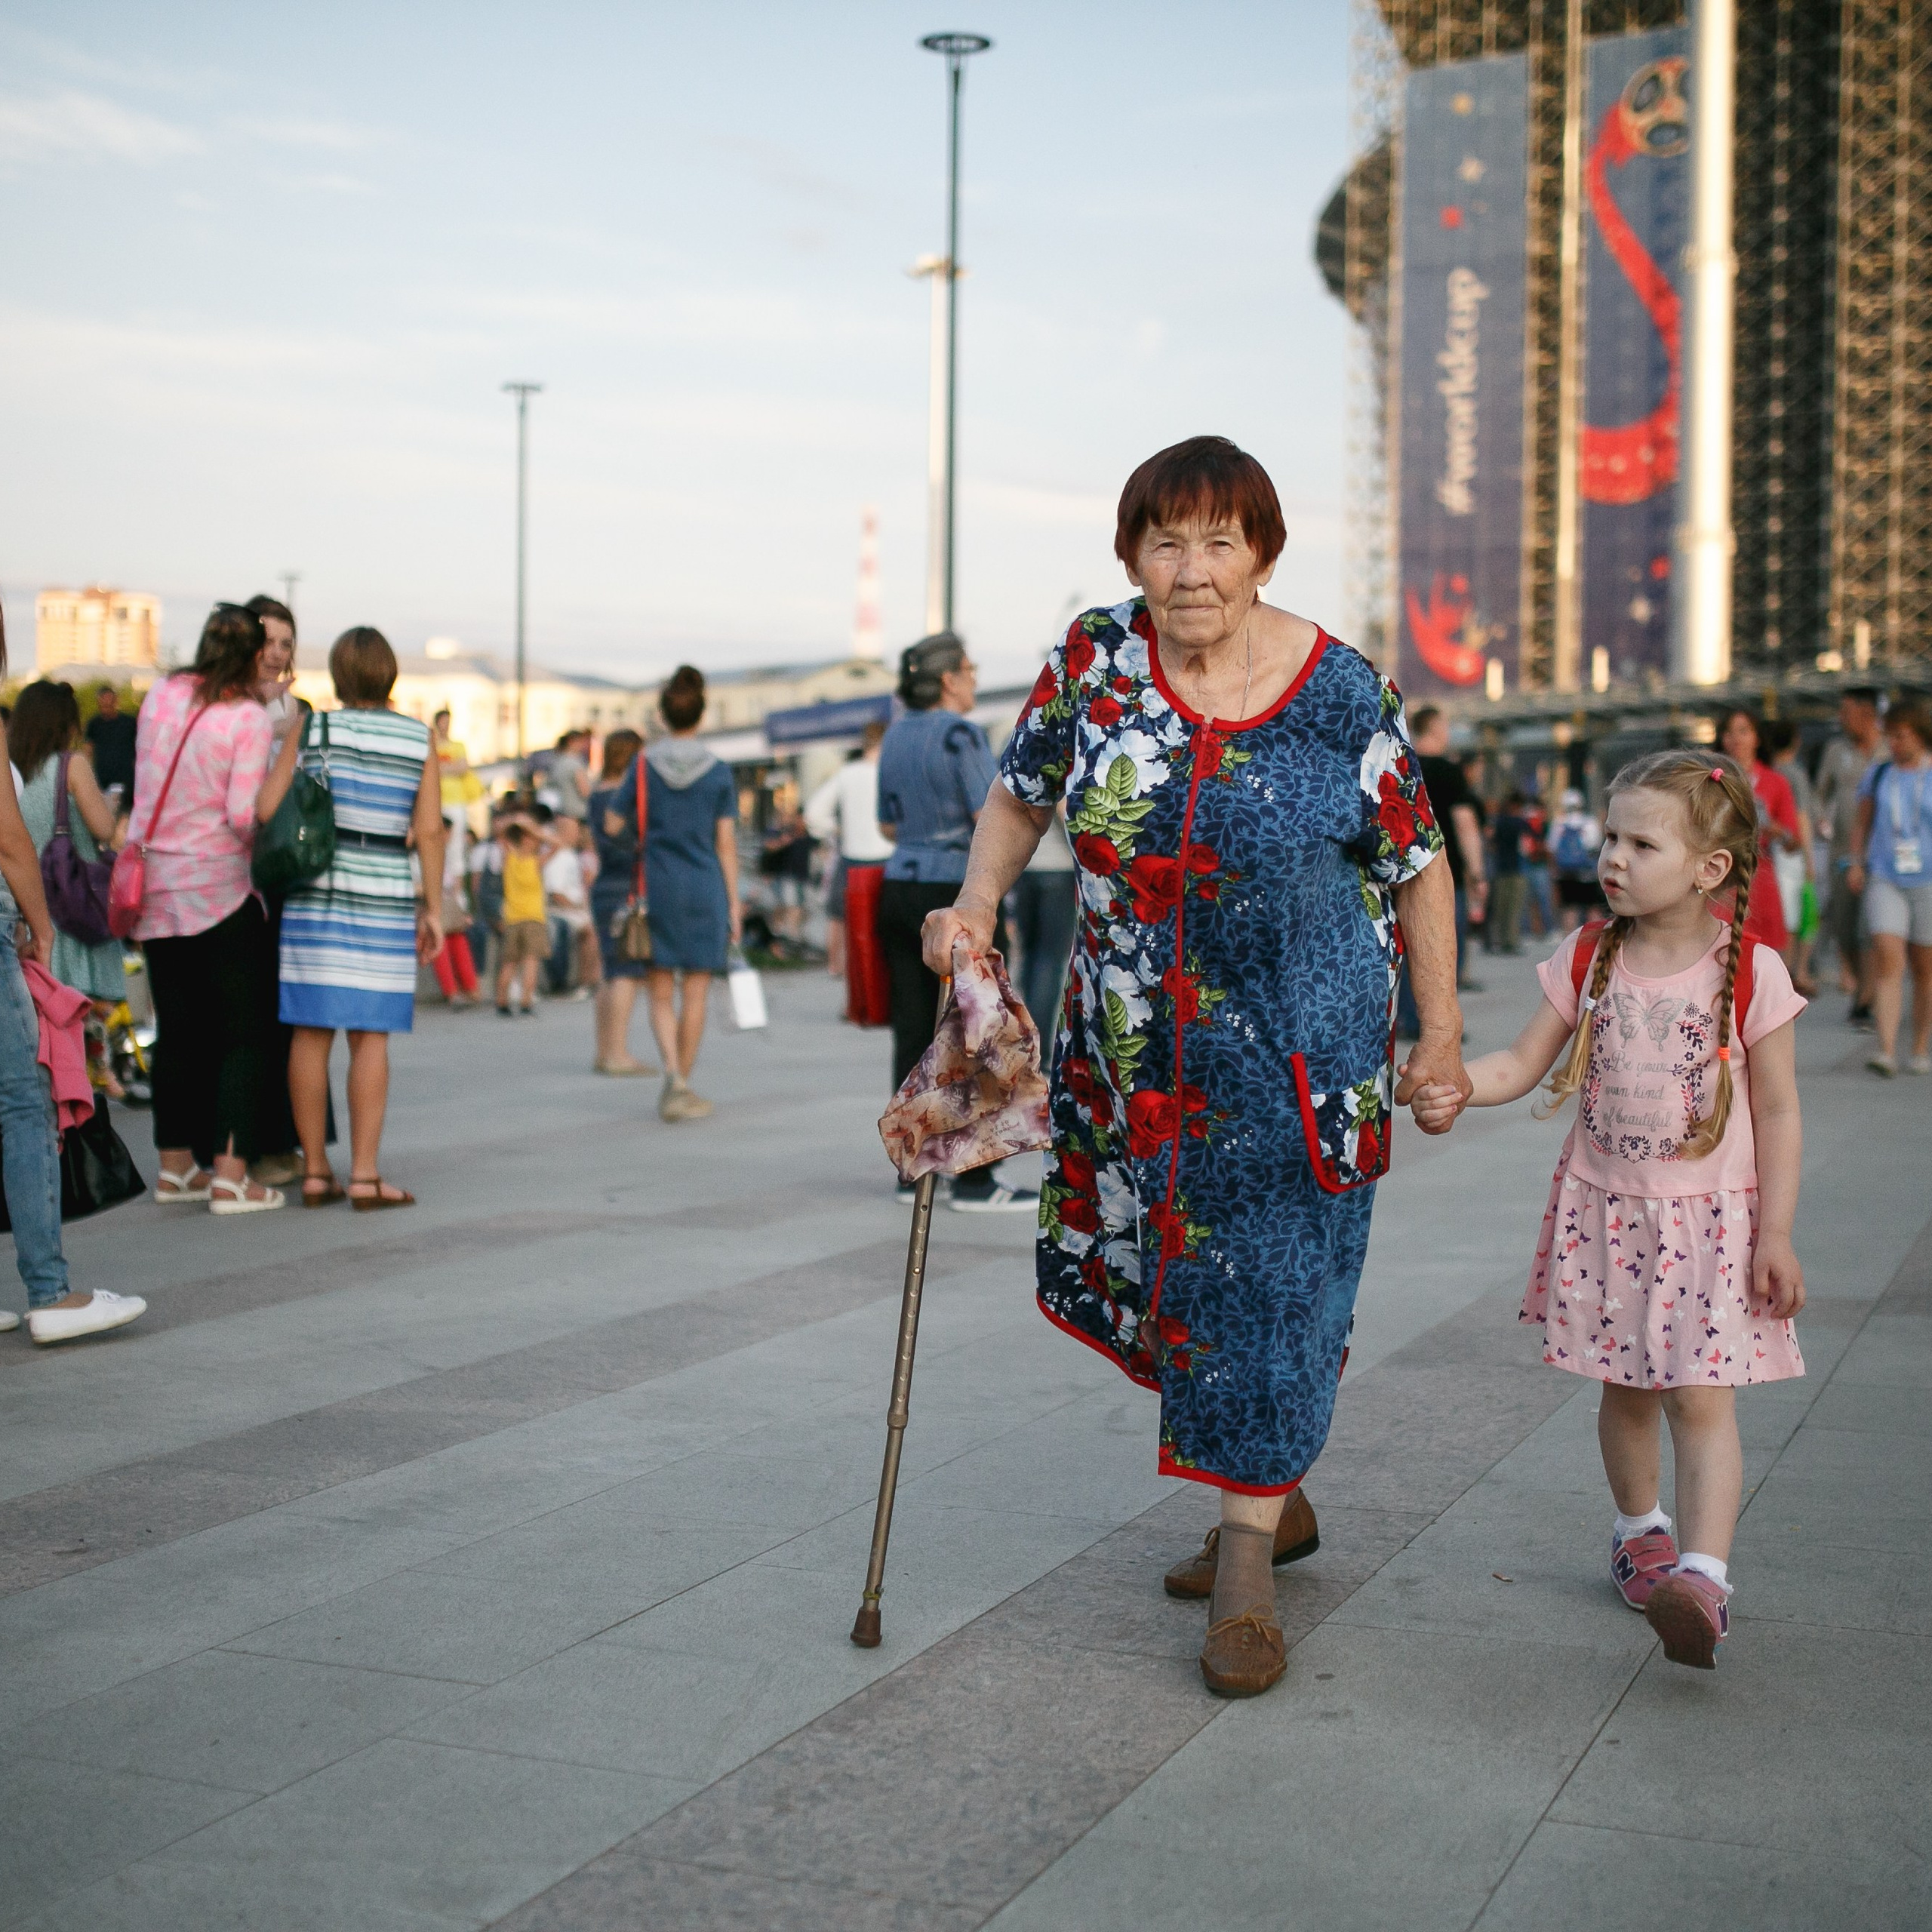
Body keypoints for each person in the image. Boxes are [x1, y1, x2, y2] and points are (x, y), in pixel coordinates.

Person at [924, 435, 1463, 1697]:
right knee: (1176, 1291)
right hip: (1136, 1057)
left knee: (1269, 1290)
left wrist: (1438, 1036)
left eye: (1220, 539)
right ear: (1132, 557)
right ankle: (1277, 1488)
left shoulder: (1343, 695)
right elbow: (1021, 794)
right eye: (1165, 540)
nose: (1192, 567)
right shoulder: (1093, 662)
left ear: (1263, 554)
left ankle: (1244, 1566)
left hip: (1299, 1054)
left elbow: (1419, 861)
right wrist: (976, 905)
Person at [1411, 749, 1807, 1670]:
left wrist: (1777, 1232)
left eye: (1639, 842)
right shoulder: (1590, 955)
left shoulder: (1747, 968)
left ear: (1710, 868)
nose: (1612, 857)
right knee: (1625, 1392)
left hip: (1709, 1224)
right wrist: (1454, 1085)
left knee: (1699, 1402)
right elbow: (1519, 1065)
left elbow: (1780, 1110)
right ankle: (1641, 1533)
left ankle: (1703, 1578)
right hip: (1609, 1217)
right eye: (1610, 837)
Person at [0, 616, 145, 1342]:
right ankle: (50, 1293)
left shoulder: (25, 760)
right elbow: (14, 834)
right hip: (30, 925)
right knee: (26, 1100)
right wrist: (42, 925)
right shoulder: (68, 764)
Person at [131, 604, 305, 1213]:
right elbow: (245, 815)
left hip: (154, 888)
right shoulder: (247, 718)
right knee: (245, 1035)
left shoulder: (162, 694)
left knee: (176, 1033)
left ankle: (175, 1168)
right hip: (218, 893)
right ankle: (232, 1175)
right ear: (254, 655)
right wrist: (290, 747)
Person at [281, 626, 443, 1209]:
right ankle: (367, 1175)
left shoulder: (314, 726)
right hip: (385, 892)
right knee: (371, 1035)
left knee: (310, 1031)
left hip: (315, 889)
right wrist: (436, 908)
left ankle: (317, 1172)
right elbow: (428, 830)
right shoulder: (418, 738)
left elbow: (273, 802)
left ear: (339, 673)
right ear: (390, 672)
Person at [878, 633, 1032, 1211]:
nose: (972, 679)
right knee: (976, 1030)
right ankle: (974, 1178)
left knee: (912, 1029)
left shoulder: (894, 734)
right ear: (948, 679)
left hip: (899, 883)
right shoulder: (959, 735)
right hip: (953, 889)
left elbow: (887, 823)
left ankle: (916, 1168)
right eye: (969, 670)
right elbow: (991, 811)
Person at [633, 666, 740, 1121]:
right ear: (702, 712)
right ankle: (682, 1087)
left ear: (662, 713)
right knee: (695, 994)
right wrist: (733, 902)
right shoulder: (718, 772)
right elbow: (727, 843)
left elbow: (617, 824)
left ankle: (672, 1076)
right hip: (705, 890)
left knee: (659, 994)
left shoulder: (643, 767)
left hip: (657, 890)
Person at [10, 681, 126, 1094]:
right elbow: (104, 829)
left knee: (41, 1039)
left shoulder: (14, 768)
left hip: (27, 911)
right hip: (76, 914)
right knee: (82, 1030)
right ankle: (83, 1130)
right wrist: (109, 806)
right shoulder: (70, 765)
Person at [243, 593, 310, 1185]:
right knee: (242, 1016)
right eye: (267, 640)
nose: (275, 653)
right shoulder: (223, 708)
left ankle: (288, 1142)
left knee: (289, 1016)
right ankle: (239, 1147)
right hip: (229, 878)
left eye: (285, 643)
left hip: (287, 877)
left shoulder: (304, 713)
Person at [1848, 697, 1932, 1077]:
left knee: (1924, 967)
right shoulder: (1880, 774)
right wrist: (1856, 863)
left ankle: (1919, 1046)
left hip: (1927, 878)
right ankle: (1885, 1048)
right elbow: (1861, 823)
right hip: (1885, 874)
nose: (1895, 744)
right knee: (1887, 956)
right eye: (1891, 736)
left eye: (1902, 736)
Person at [1401, 707, 1484, 1022]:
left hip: (1405, 871)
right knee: (1447, 948)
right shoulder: (1450, 772)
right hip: (1448, 874)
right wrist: (1477, 871)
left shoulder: (1402, 764)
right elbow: (1465, 824)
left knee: (1410, 947)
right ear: (1435, 729)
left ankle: (1409, 1018)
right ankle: (1438, 1023)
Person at [804, 721, 893, 1004]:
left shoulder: (846, 774)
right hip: (888, 859)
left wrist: (836, 829)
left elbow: (813, 813)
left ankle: (857, 1001)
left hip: (852, 861)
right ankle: (887, 997)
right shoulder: (890, 773)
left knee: (855, 935)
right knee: (887, 936)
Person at [586, 730, 657, 1076]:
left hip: (604, 885)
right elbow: (632, 844)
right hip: (626, 885)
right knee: (627, 972)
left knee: (609, 971)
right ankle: (618, 1053)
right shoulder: (623, 797)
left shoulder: (596, 793)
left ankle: (605, 1051)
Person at [1816, 686, 1884, 1021]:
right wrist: (1820, 818)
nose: (1842, 719)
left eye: (1847, 712)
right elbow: (1820, 793)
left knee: (1868, 926)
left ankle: (1868, 996)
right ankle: (1861, 984)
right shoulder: (1835, 750)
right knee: (1844, 925)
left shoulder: (1888, 750)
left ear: (1867, 712)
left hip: (1881, 854)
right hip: (1842, 852)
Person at [1718, 708, 1801, 955]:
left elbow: (1793, 841)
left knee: (1765, 954)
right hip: (1722, 877)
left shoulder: (1775, 782)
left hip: (1761, 873)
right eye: (1729, 732)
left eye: (1743, 731)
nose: (1736, 739)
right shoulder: (1713, 779)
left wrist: (1775, 830)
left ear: (1757, 738)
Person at [1762, 717, 1820, 994]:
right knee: (1795, 915)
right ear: (1795, 741)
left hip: (1770, 851)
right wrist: (1809, 858)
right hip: (1789, 851)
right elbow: (1801, 818)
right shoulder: (1794, 774)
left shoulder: (1768, 771)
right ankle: (1793, 971)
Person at [494, 817, 553, 1016]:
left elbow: (500, 834)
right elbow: (559, 845)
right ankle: (526, 1001)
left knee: (509, 962)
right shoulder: (536, 862)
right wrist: (536, 830)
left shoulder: (508, 858)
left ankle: (501, 1001)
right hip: (534, 918)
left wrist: (517, 824)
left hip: (512, 918)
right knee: (531, 962)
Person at [543, 814, 592, 996]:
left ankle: (591, 982)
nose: (578, 835)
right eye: (574, 831)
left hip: (576, 909)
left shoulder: (573, 855)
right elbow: (555, 894)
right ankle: (584, 983)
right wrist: (577, 908)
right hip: (561, 911)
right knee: (590, 932)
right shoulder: (558, 858)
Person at [1549, 787, 1604, 933]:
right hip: (1587, 874)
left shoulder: (1558, 823)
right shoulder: (1589, 822)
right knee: (1592, 909)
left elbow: (1552, 849)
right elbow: (1596, 845)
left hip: (1566, 873)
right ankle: (1594, 943)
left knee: (1569, 909)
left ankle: (1570, 944)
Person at [1486, 791, 1530, 955]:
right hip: (1517, 868)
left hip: (1501, 868)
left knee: (1500, 907)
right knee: (1514, 908)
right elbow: (1528, 843)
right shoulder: (1520, 823)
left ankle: (1497, 940)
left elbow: (1493, 844)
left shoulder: (1500, 822)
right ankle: (1511, 941)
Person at [83, 682, 137, 811]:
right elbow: (88, 750)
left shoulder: (129, 722)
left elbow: (139, 750)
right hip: (103, 781)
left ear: (115, 701)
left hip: (126, 780)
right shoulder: (94, 724)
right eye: (103, 702)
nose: (107, 705)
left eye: (110, 702)